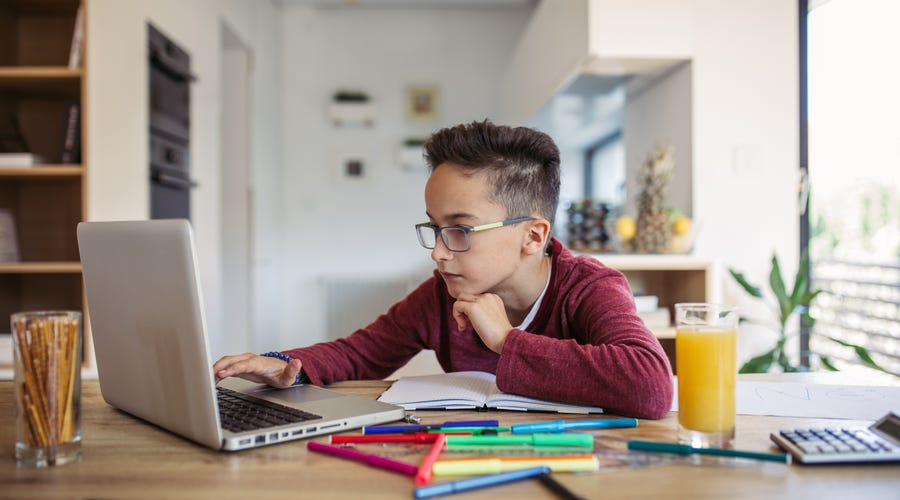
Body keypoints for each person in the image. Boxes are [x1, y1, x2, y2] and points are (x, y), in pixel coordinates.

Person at [214, 120, 673, 419]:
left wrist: (505, 340)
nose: (437, 252)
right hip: (467, 460)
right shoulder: (442, 293)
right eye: (433, 228)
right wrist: (280, 364)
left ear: (532, 237)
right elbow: (360, 353)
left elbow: (651, 386)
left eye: (459, 229)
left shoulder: (588, 288)